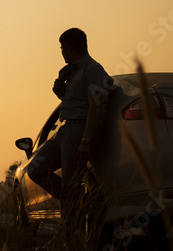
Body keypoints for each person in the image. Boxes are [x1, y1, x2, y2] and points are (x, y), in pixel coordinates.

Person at [27, 28, 113, 246]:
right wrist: (62, 95)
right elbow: (77, 101)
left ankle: (69, 236)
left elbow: (95, 107)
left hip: (78, 129)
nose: (61, 52)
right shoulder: (72, 71)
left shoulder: (93, 69)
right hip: (64, 129)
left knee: (69, 185)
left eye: (62, 48)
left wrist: (86, 140)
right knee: (35, 168)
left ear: (69, 47)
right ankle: (76, 200)